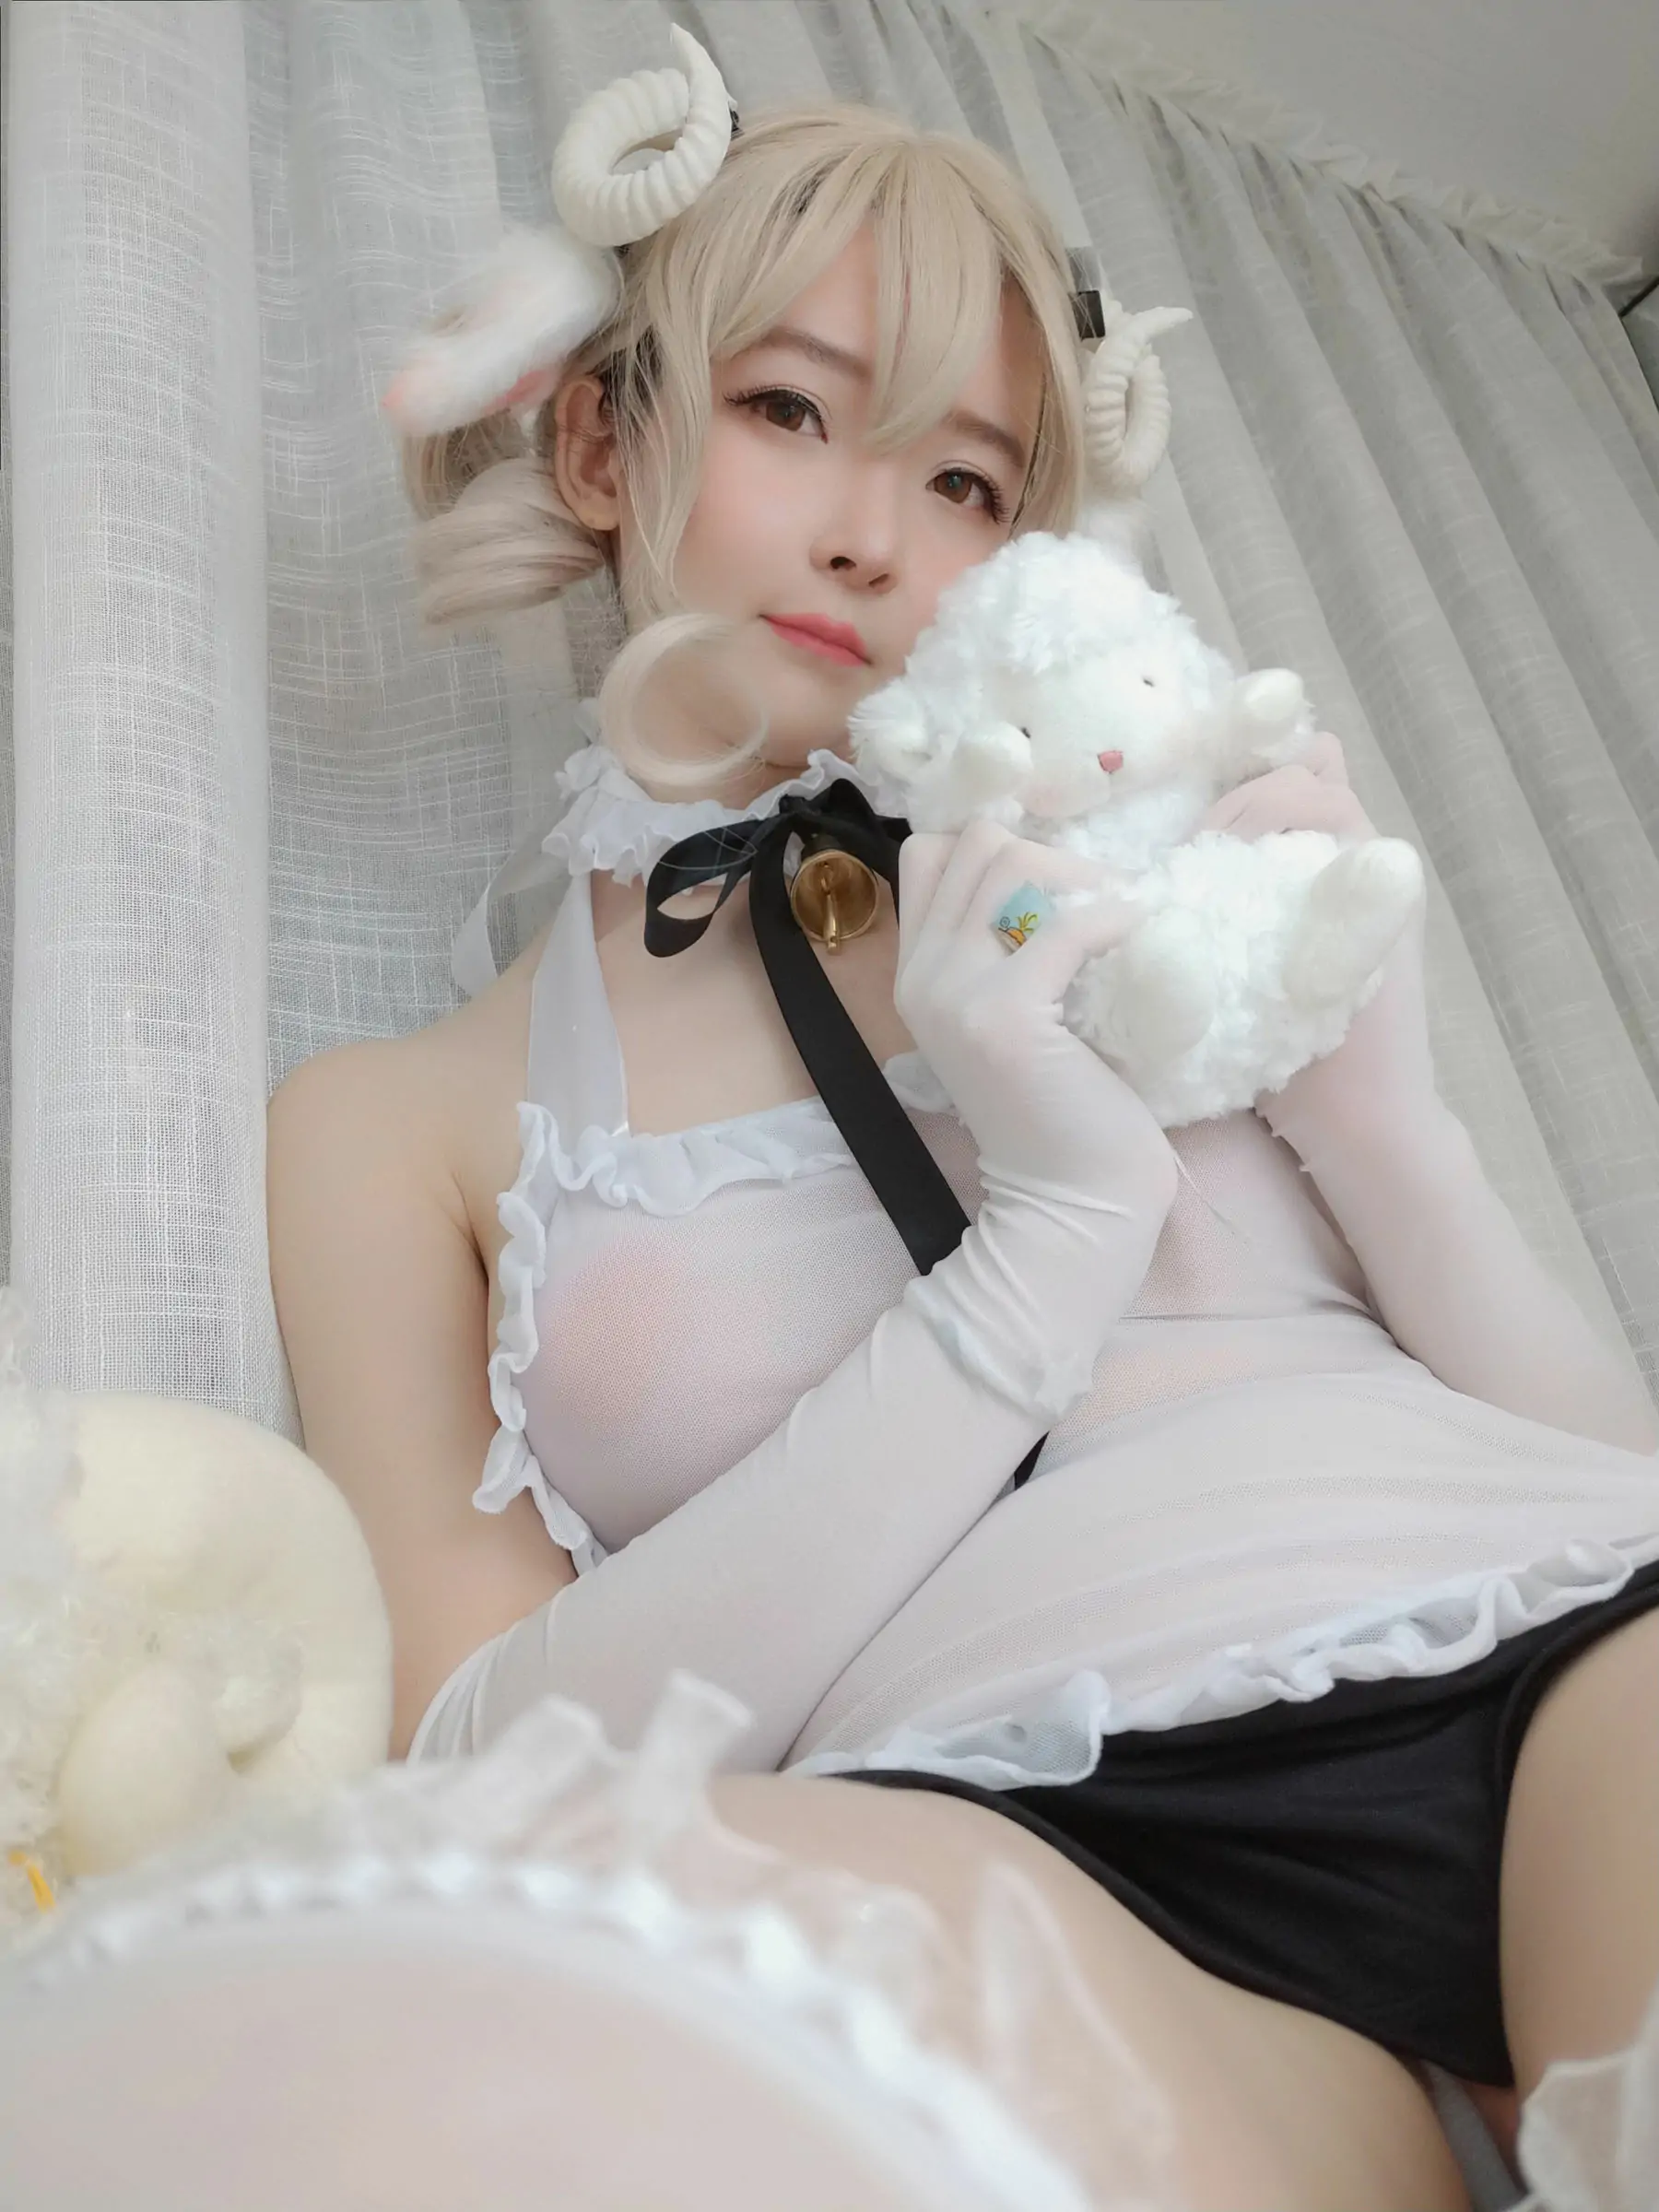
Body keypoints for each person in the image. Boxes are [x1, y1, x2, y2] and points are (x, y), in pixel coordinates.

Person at [265, 35, 1659, 2208]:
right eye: (790, 410)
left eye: (969, 484)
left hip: (1551, 1649)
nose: (869, 534)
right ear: (604, 437)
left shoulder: (1157, 862)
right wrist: (1039, 1261)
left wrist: (1391, 1129)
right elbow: (476, 1774)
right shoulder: (396, 1126)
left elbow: (1600, 1483)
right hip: (1023, 1853)